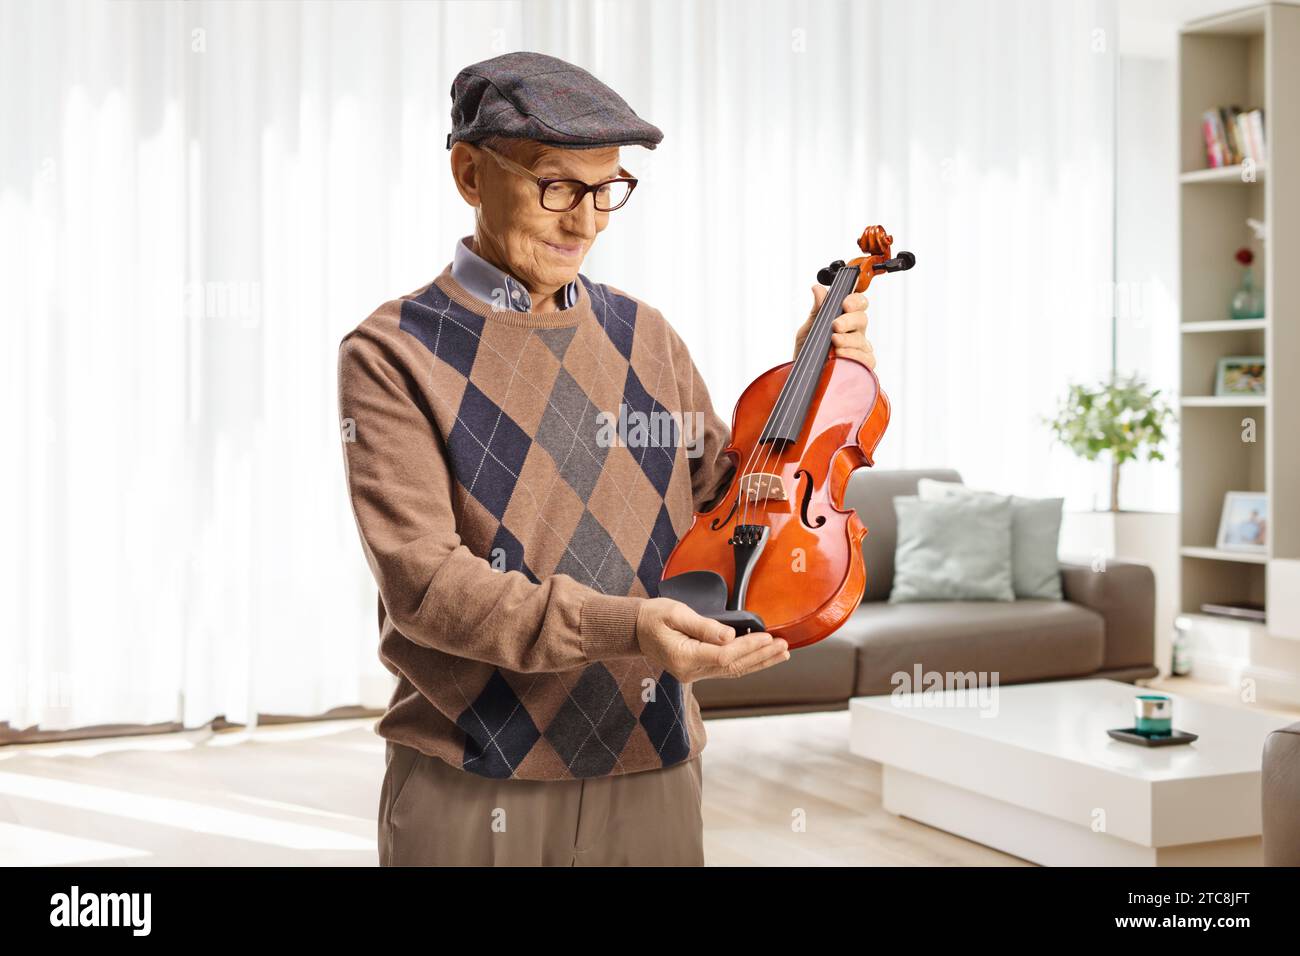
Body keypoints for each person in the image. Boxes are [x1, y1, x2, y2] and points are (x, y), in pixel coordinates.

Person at [337, 51, 875, 866]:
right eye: (557, 186)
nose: (584, 221)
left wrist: (814, 382)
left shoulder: (644, 335)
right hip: (475, 775)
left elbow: (729, 510)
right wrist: (631, 627)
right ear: (469, 174)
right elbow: (428, 588)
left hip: (652, 760)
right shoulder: (392, 353)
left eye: (608, 190)